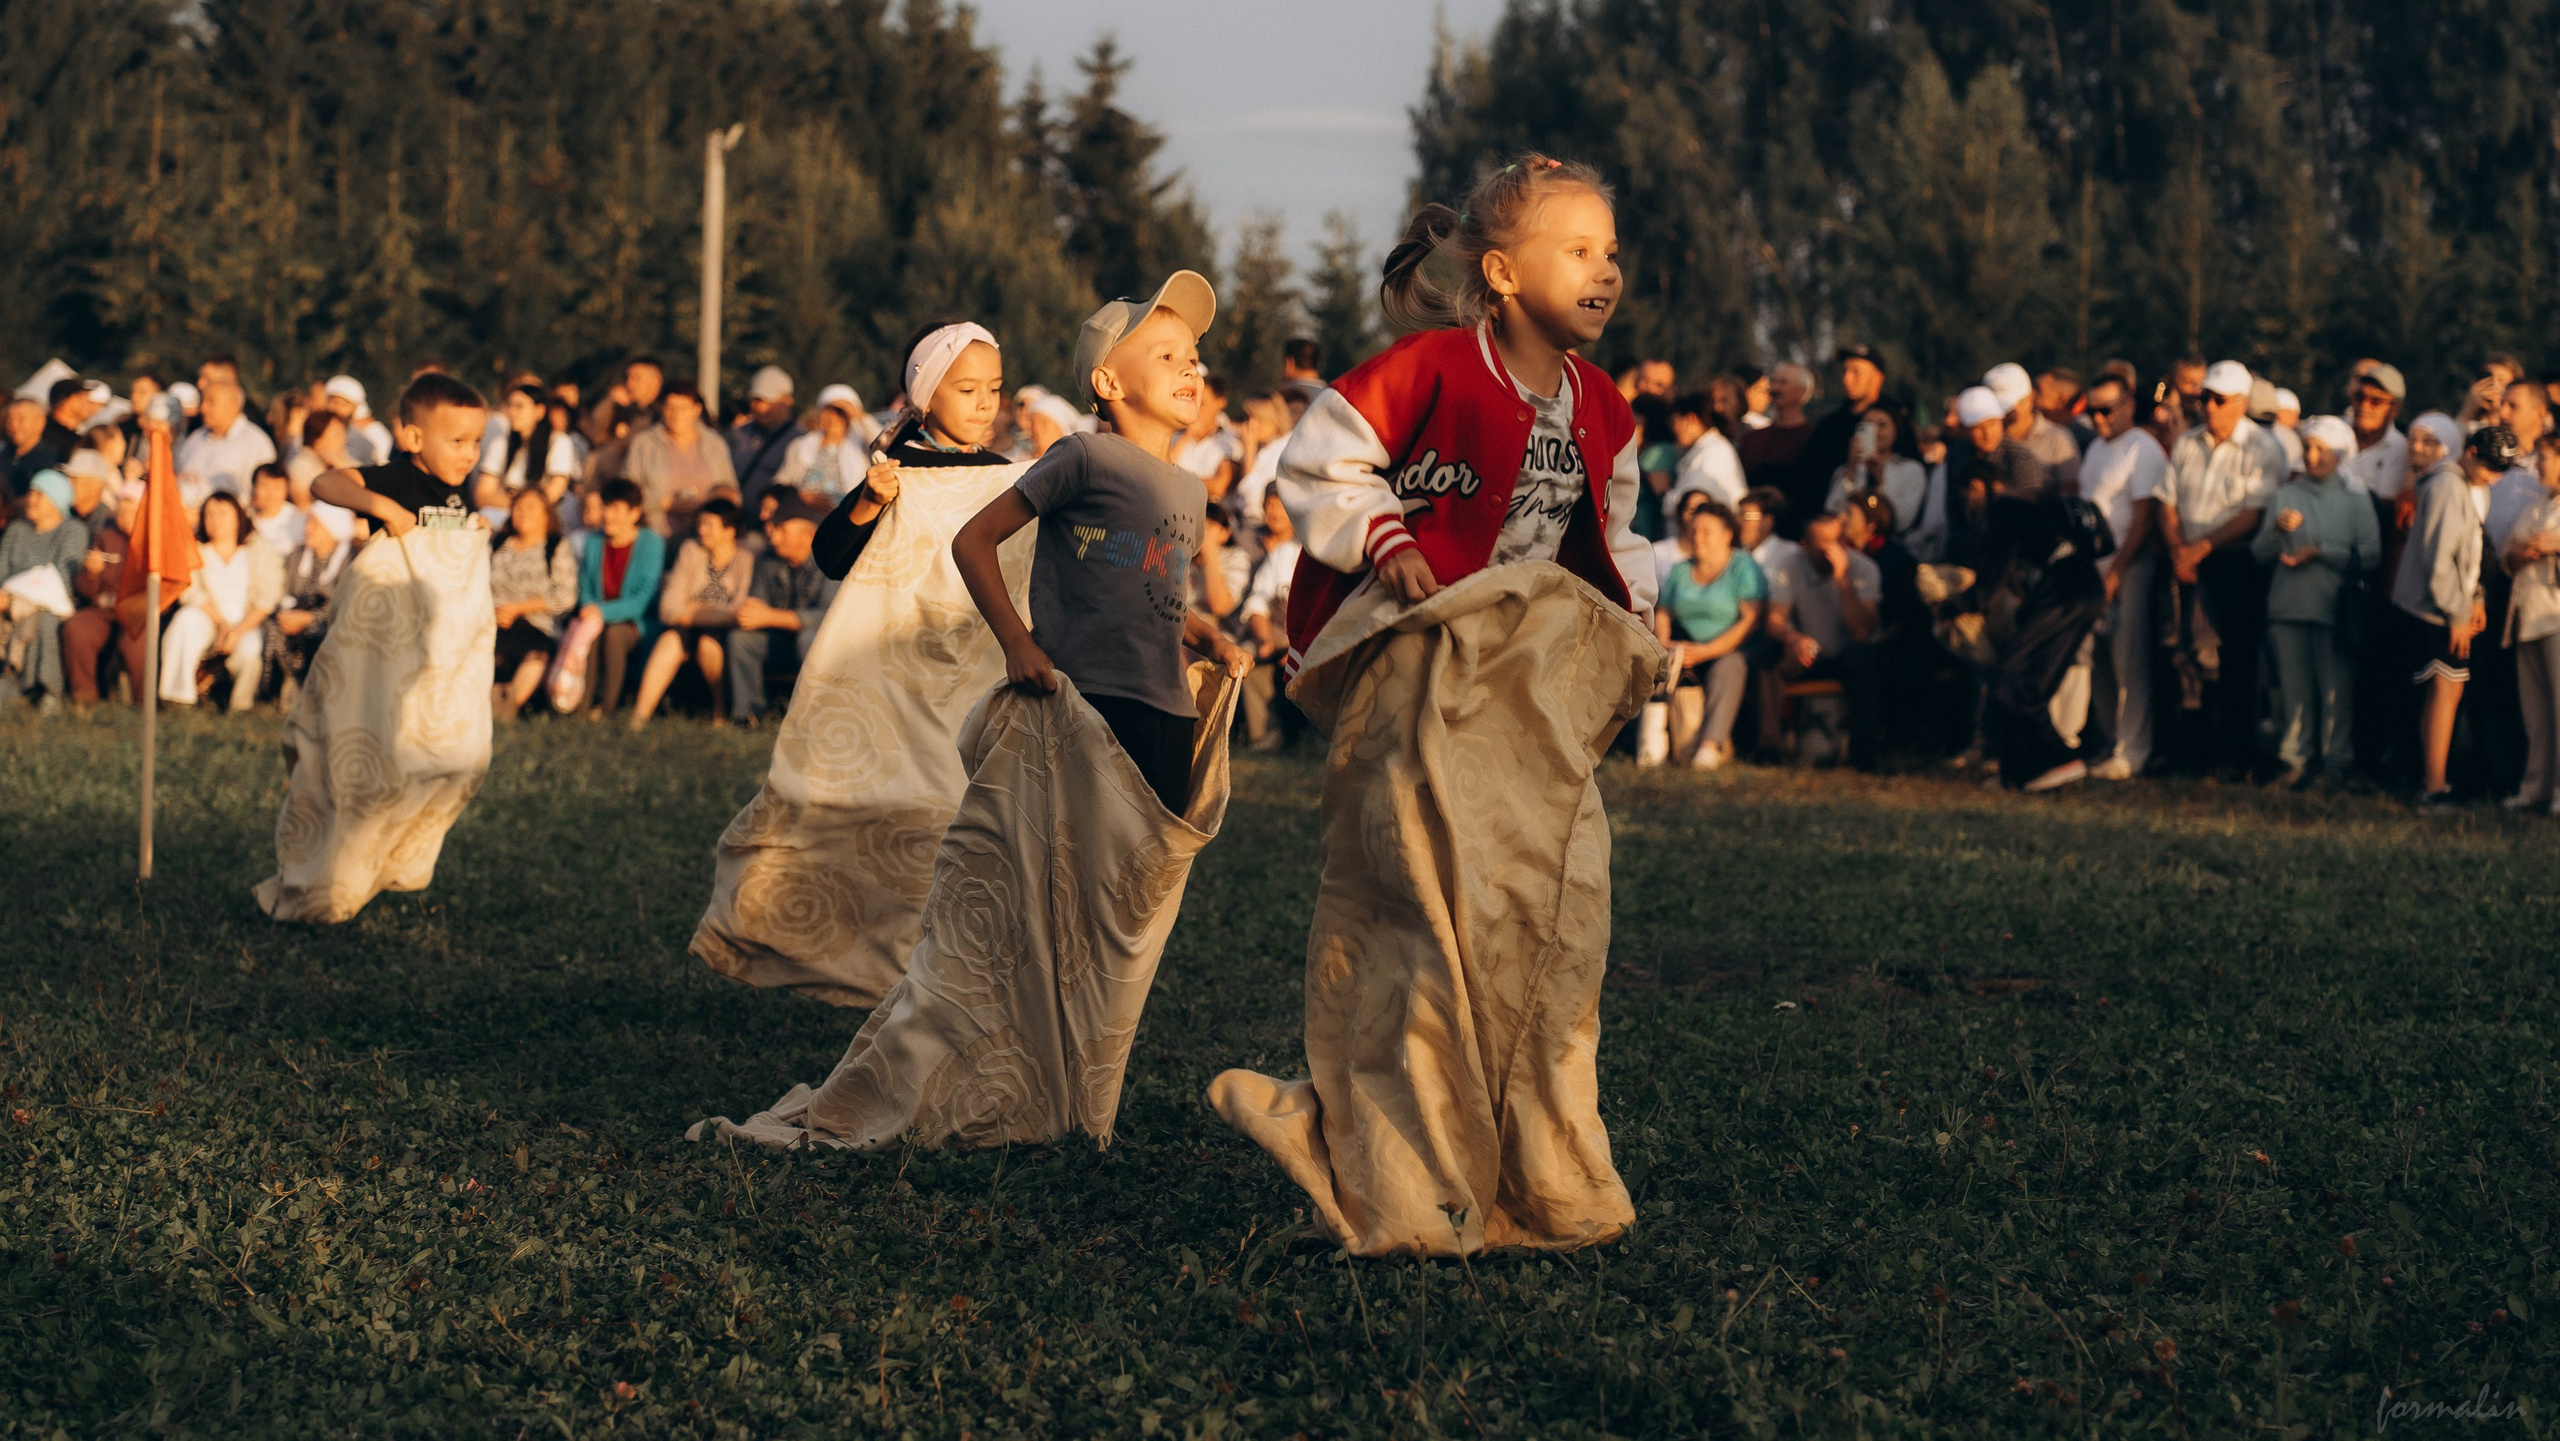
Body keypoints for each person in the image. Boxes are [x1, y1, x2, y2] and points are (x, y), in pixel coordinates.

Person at [1208, 155, 1657, 1259]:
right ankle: (1390, 1159)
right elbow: (1317, 468)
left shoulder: (1604, 408)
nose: (1604, 268)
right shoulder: (1426, 372)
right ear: (1500, 273)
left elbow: (1619, 532)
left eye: (1610, 249)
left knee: (1540, 921)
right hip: (1416, 676)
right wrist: (1388, 536)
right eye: (1578, 248)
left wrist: (1637, 621)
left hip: (1521, 696)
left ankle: (1535, 1169)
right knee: (1416, 912)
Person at [952, 273, 1249, 812]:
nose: (1189, 367)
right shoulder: (1084, 458)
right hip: (1083, 701)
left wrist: (1211, 641)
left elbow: (1157, 595)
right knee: (1070, 871)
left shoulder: (1192, 490)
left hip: (1170, 710)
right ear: (1109, 384)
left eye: (1192, 357)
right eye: (1165, 356)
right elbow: (973, 541)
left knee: (1142, 882)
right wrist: (1017, 643)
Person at [2159, 360, 2285, 776]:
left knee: (2236, 657)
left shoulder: (2263, 448)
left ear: (2242, 403)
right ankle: (2191, 748)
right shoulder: (2186, 443)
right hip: (2188, 558)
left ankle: (2236, 751)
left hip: (2236, 561)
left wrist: (2200, 548)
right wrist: (2180, 549)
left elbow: (2253, 513)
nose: (2209, 407)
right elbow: (2168, 500)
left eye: (2219, 400)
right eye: (2204, 399)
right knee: (2182, 653)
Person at [2252, 415, 2380, 788]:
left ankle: (2335, 762)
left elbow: (2371, 554)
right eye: (2307, 447)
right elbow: (2259, 553)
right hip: (2289, 606)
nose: (2311, 456)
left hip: (2334, 609)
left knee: (2335, 689)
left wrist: (2321, 551)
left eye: (2321, 449)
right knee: (2293, 689)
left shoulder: (2356, 499)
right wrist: (2277, 532)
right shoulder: (2285, 495)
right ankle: (2294, 759)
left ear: (2339, 454)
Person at [2396, 424, 2511, 807]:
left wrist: (2475, 596)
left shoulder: (2465, 485)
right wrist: (2458, 612)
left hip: (2448, 605)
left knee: (2445, 689)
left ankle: (2434, 779)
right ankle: (2435, 785)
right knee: (2445, 690)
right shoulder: (2449, 486)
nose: (2494, 478)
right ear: (2472, 452)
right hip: (2437, 611)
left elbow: (2471, 550)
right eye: (2491, 467)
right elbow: (2439, 558)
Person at [2075, 371, 2168, 778]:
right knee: (2098, 657)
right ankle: (2109, 739)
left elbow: (2144, 517)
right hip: (2092, 565)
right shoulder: (2096, 447)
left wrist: (2116, 571)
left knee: (2128, 658)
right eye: (2092, 410)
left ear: (2129, 405)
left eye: (2106, 410)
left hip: (2129, 564)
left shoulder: (2142, 448)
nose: (2098, 419)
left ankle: (2134, 749)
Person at [1643, 499, 1762, 770]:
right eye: (1693, 530)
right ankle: (1651, 748)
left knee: (1729, 666)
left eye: (1706, 531)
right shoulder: (1681, 570)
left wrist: (1708, 651)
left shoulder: (1743, 567)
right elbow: (1664, 612)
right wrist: (1664, 642)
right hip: (1688, 647)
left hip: (1734, 647)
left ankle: (1709, 748)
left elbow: (1750, 622)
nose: (1697, 537)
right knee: (1657, 660)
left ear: (1727, 534)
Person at [1761, 508, 1883, 768]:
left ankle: (1864, 755)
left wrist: (1841, 579)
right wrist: (1794, 639)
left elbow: (1862, 632)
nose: (1833, 550)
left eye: (1838, 541)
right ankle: (1769, 749)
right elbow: (1774, 621)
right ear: (1804, 546)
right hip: (1806, 652)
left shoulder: (1864, 569)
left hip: (1846, 654)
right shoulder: (1788, 566)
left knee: (1866, 657)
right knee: (1767, 656)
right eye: (1824, 543)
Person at [630, 497, 752, 727]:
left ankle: (720, 713)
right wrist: (713, 612)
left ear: (729, 530)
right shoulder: (691, 551)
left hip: (722, 634)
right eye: (700, 523)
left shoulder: (745, 559)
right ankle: (639, 717)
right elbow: (668, 608)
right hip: (686, 628)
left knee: (708, 645)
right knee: (668, 641)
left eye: (709, 524)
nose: (701, 530)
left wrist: (694, 609)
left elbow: (738, 612)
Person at [724, 489, 837, 725]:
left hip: (821, 643)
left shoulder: (831, 561)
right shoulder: (768, 561)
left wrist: (771, 617)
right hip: (780, 641)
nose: (774, 538)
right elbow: (756, 608)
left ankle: (815, 715)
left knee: (808, 638)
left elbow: (829, 616)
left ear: (807, 535)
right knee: (741, 639)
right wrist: (750, 614)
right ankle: (748, 714)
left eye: (782, 530)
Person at [159, 492, 281, 709]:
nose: (214, 521)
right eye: (209, 515)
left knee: (251, 648)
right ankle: (177, 697)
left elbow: (267, 598)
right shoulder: (196, 550)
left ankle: (241, 704)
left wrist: (236, 631)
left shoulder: (259, 549)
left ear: (238, 517)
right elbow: (191, 592)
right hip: (208, 617)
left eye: (222, 514)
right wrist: (222, 625)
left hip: (247, 621)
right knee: (185, 620)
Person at [2501, 431, 2560, 814]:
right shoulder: (2536, 506)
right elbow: (2508, 552)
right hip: (2526, 615)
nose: (2538, 464)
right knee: (2536, 712)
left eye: (2546, 458)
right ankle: (2535, 786)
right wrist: (2521, 554)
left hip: (2556, 616)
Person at [572, 478, 665, 718]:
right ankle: (581, 707)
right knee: (592, 630)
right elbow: (585, 587)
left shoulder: (651, 543)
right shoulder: (594, 542)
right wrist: (591, 609)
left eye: (615, 508)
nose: (607, 515)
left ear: (634, 513)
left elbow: (642, 599)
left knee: (614, 634)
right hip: (597, 618)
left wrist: (601, 612)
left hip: (637, 622)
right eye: (605, 507)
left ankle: (608, 709)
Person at [1, 470, 89, 712]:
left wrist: (15, 597)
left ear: (57, 499)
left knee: (44, 622)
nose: (32, 499)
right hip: (8, 598)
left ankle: (48, 689)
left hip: (56, 601)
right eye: (31, 492)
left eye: (40, 494)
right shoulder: (17, 531)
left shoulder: (73, 531)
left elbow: (61, 577)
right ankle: (9, 681)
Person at [488, 485, 578, 720]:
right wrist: (493, 611)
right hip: (492, 619)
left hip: (537, 624)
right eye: (518, 507)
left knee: (536, 654)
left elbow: (566, 596)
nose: (523, 513)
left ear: (546, 515)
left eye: (531, 508)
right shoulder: (497, 543)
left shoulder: (556, 547)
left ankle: (507, 705)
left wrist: (521, 608)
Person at [261, 500, 355, 710]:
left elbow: (349, 604)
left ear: (333, 528)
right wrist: (287, 615)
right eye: (307, 523)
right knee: (273, 629)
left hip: (330, 621)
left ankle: (315, 694)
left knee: (317, 632)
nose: (307, 529)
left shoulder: (350, 560)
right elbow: (282, 592)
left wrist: (311, 618)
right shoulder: (297, 555)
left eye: (314, 524)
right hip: (293, 616)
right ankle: (276, 693)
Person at [625, 378, 736, 538]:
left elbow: (730, 489)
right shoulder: (644, 444)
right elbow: (627, 494)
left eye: (683, 408)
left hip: (705, 539)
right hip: (656, 535)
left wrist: (707, 504)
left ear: (696, 409)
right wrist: (665, 503)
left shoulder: (715, 444)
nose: (676, 415)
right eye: (670, 408)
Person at [63, 482, 142, 707]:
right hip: (104, 608)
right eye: (122, 508)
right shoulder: (105, 537)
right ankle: (85, 698)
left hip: (139, 611)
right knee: (77, 629)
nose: (124, 515)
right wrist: (91, 574)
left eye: (132, 510)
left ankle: (142, 704)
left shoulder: (153, 541)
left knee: (135, 644)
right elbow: (85, 591)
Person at [1237, 488, 1302, 751]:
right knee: (1249, 655)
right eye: (1271, 504)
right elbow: (1257, 602)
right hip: (1279, 634)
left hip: (1318, 639)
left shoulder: (1324, 552)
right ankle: (1265, 736)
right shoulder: (1283, 553)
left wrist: (1299, 647)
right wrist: (1266, 641)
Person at [1820, 405, 1929, 547]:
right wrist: (1851, 473)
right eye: (1867, 426)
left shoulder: (1911, 470)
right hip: (1845, 546)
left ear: (1896, 431)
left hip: (1888, 548)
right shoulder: (1846, 470)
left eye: (1882, 425)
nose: (1875, 432)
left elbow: (1902, 521)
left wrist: (1880, 480)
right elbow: (1831, 512)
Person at [174, 379, 277, 509]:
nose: (203, 408)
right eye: (203, 401)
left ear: (233, 405)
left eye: (211, 402)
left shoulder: (256, 443)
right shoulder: (195, 438)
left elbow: (263, 497)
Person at [1736, 361, 1816, 525]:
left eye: (1783, 382)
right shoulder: (1752, 438)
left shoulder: (1813, 439)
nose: (1775, 388)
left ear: (1801, 392)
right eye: (1773, 382)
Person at [1984, 362, 2079, 492]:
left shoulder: (2059, 438)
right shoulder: (1985, 440)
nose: (2003, 412)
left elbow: (2070, 494)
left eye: (2008, 405)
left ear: (2029, 398)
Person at [772, 385, 873, 503]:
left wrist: (860, 416)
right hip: (801, 515)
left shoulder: (862, 449)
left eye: (840, 412)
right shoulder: (800, 446)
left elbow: (885, 444)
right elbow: (781, 483)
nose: (833, 417)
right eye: (828, 410)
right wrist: (801, 496)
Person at [727, 365, 805, 510]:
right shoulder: (738, 434)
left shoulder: (801, 442)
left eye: (769, 401)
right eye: (756, 400)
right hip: (735, 524)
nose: (761, 408)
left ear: (787, 400)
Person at [1665, 390, 1744, 508]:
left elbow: (1693, 504)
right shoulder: (1708, 449)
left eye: (1674, 421)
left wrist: (1662, 493)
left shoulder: (1715, 452)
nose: (1673, 429)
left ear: (1691, 419)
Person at [1168, 371, 1240, 496]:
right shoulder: (1175, 436)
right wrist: (1187, 437)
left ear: (1221, 403)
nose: (1195, 408)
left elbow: (1219, 487)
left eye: (1202, 404)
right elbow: (1162, 471)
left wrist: (1174, 483)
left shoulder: (1231, 440)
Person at [321, 376, 394, 465]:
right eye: (332, 402)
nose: (334, 409)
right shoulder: (321, 430)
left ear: (355, 408)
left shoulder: (372, 437)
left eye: (341, 404)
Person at [245, 462, 305, 555]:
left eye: (277, 487)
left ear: (286, 490)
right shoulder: (244, 519)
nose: (270, 492)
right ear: (254, 487)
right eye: (264, 486)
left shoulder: (298, 520)